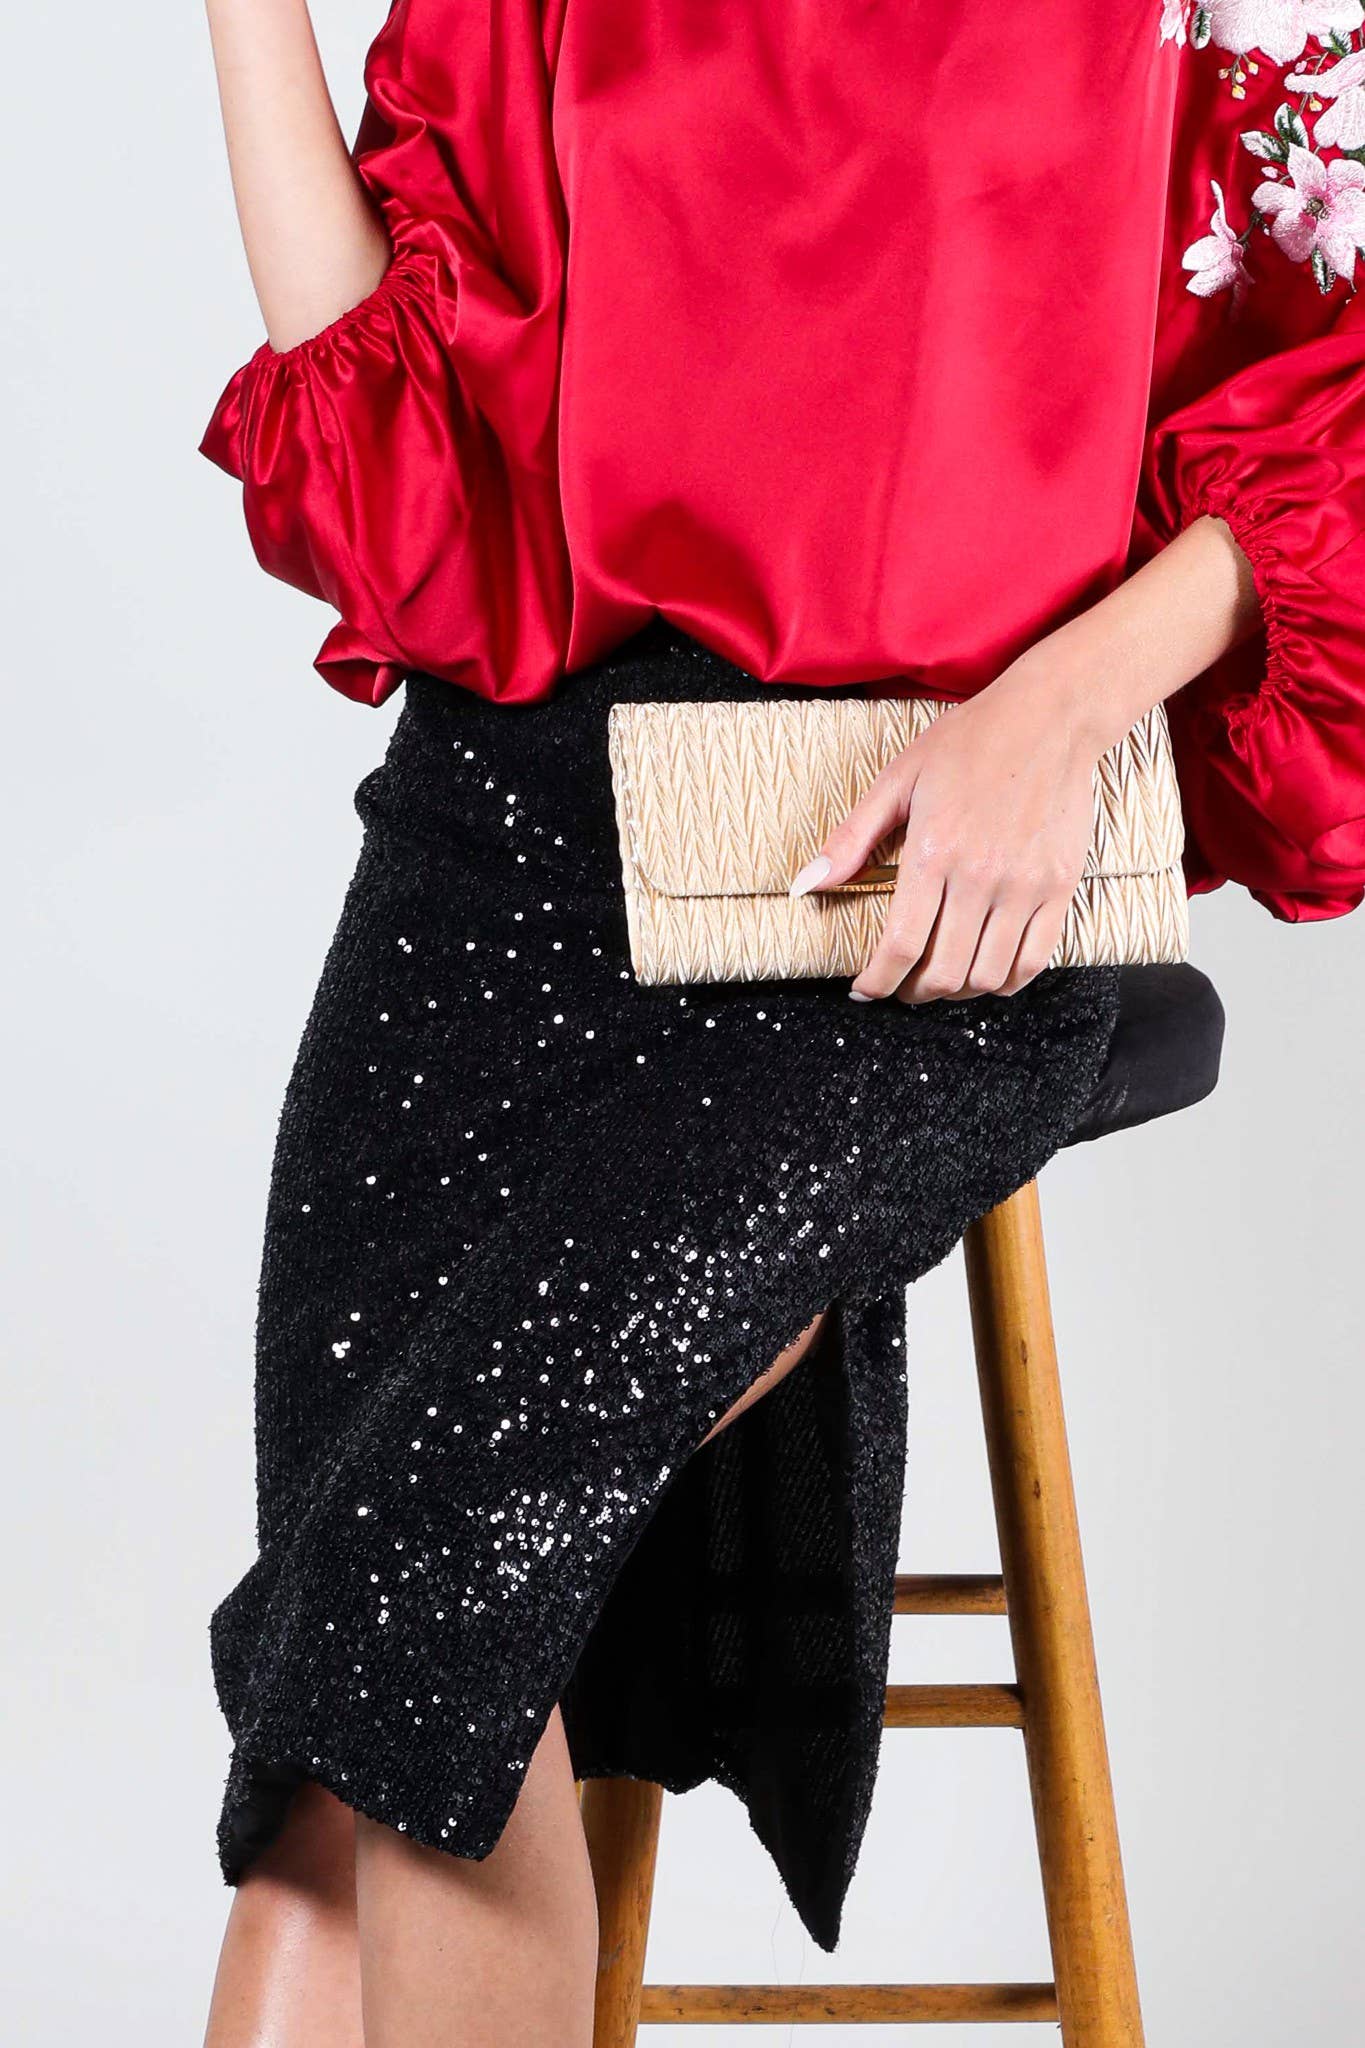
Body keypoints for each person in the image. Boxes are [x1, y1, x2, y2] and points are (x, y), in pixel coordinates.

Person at [197, 5, 1364, 2044]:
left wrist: (1071, 695)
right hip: (510, 844)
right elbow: (390, 411)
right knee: (338, 1718)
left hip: (920, 871)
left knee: (415, 1565)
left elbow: (1335, 395)